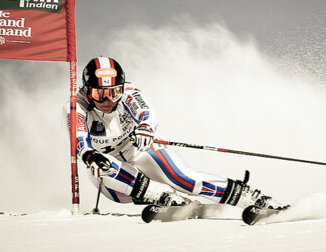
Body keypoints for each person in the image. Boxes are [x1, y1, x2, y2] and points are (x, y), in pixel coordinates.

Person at [66, 56, 284, 210]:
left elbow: (147, 112)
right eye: (99, 93)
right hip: (109, 171)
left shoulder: (130, 92)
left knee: (184, 179)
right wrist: (88, 154)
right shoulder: (76, 105)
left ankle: (249, 198)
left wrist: (145, 128)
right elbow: (79, 139)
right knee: (100, 164)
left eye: (114, 92)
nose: (107, 100)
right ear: (87, 89)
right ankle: (162, 196)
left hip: (137, 149)